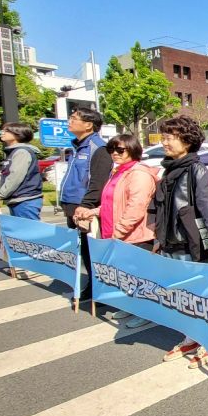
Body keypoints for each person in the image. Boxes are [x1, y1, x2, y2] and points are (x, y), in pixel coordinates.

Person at [154, 116, 208, 368]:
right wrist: (158, 238)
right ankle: (191, 337)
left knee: (201, 296)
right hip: (170, 243)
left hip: (190, 245)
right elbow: (161, 209)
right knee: (181, 296)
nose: (164, 141)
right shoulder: (168, 170)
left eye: (169, 137)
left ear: (187, 141)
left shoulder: (196, 170)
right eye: (163, 136)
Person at [74, 134, 158, 329]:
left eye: (120, 150)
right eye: (112, 149)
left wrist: (118, 232)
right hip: (117, 234)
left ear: (133, 149)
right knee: (126, 276)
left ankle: (144, 311)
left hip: (136, 235)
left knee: (140, 278)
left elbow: (135, 208)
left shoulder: (139, 174)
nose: (115, 153)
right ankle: (131, 306)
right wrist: (92, 212)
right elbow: (112, 204)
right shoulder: (118, 172)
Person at [59, 108, 112, 301]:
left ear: (89, 124)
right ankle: (91, 286)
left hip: (84, 209)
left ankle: (97, 290)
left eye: (74, 118)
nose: (69, 122)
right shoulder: (76, 147)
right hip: (72, 206)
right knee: (82, 250)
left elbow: (97, 182)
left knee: (92, 252)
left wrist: (87, 206)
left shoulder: (98, 148)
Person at [0, 123, 43, 220]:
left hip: (25, 200)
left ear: (18, 134)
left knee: (29, 232)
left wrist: (0, 194)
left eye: (7, 131)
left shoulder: (21, 152)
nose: (2, 133)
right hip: (17, 200)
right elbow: (4, 174)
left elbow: (15, 177)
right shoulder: (13, 152)